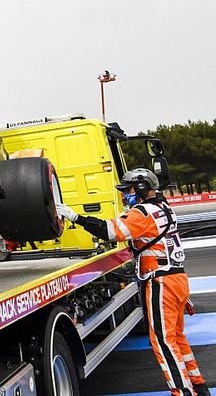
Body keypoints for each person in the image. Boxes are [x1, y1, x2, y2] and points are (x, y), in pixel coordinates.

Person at [57, 168, 208, 396]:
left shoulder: (142, 213)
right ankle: (198, 385)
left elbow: (109, 231)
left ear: (141, 188)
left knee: (163, 341)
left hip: (160, 282)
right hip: (177, 278)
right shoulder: (164, 207)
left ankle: (182, 392)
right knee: (177, 337)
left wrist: (75, 217)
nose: (124, 195)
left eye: (127, 190)